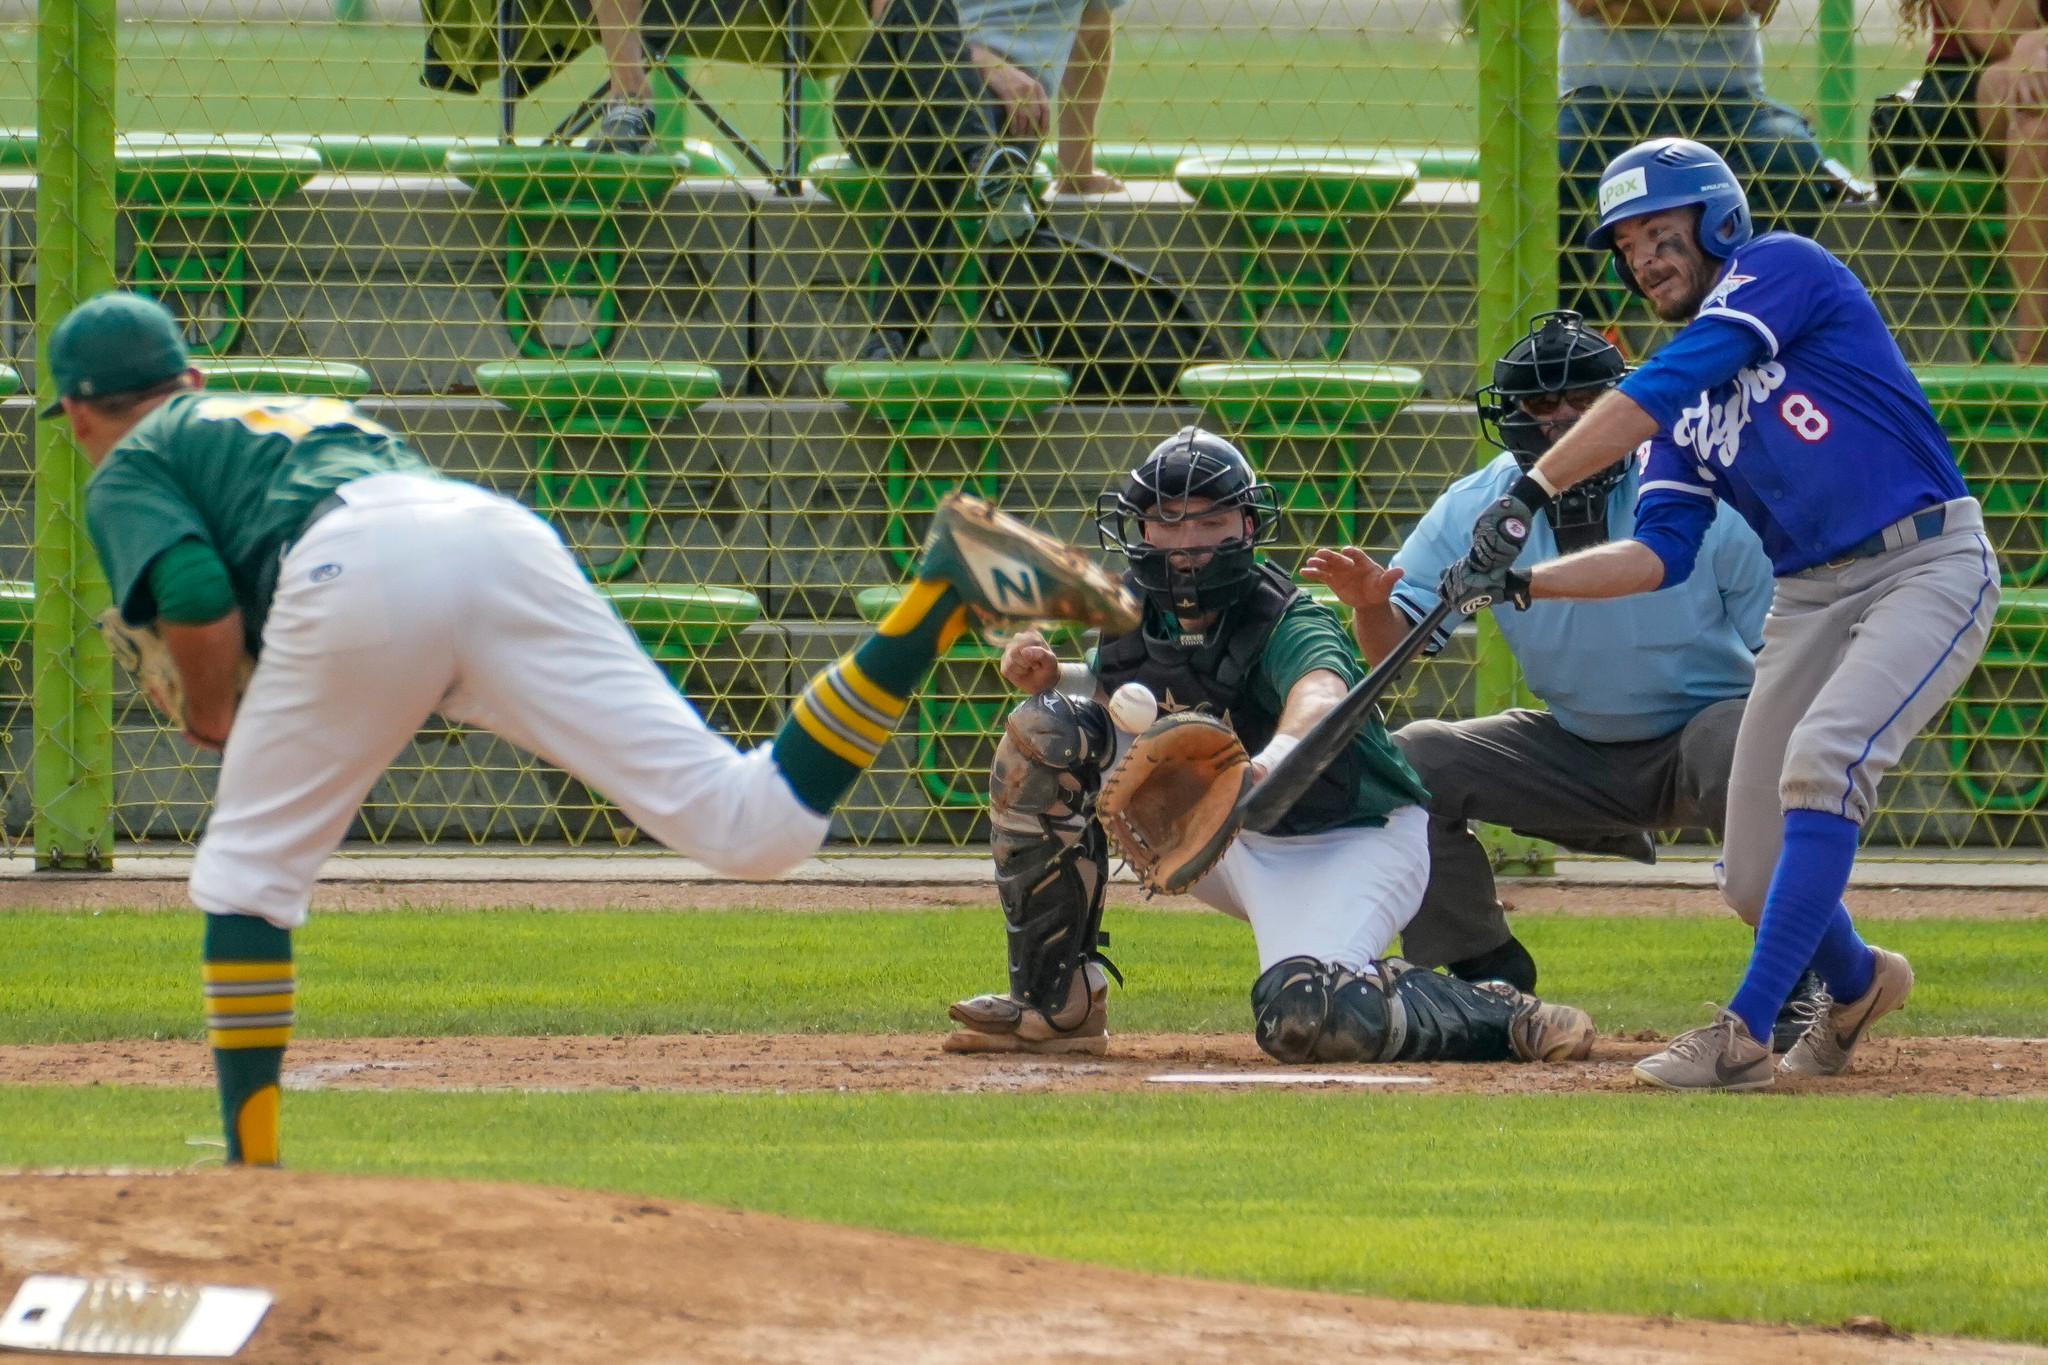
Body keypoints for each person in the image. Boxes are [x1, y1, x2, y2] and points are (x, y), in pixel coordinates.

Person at [50, 290, 1142, 1165]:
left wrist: (213, 708)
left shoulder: (133, 455)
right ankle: (938, 597)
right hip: (487, 531)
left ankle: (248, 1176)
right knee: (750, 826)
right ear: (189, 375)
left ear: (84, 411)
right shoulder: (278, 415)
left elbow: (193, 589)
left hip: (352, 567)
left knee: (246, 874)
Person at [1444, 139, 1998, 1091]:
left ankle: (1741, 1031)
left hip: (1928, 564)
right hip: (1811, 595)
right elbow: (1659, 553)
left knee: (1825, 763)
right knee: (1750, 876)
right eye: (1627, 246)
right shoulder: (1691, 407)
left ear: (1719, 221)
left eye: (1663, 232)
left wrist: (1533, 486)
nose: (1645, 258)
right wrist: (1524, 583)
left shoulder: (1780, 268)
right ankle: (1860, 981)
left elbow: (1655, 387)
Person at [941, 428, 1599, 1067]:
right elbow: (1131, 694)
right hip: (1226, 831)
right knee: (1047, 728)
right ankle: (1058, 1001)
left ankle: (1498, 1011)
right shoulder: (1129, 611)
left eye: (1210, 521)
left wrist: (1265, 765)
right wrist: (1057, 676)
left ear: (1248, 529)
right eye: (1167, 522)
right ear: (1138, 529)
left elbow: (1320, 695)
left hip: (1344, 839)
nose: (1187, 544)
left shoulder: (1288, 616)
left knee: (1306, 1016)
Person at [1301, 310, 1789, 1008]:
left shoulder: (1692, 485)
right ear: (1509, 415)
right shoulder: (1478, 504)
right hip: (1576, 748)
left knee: (1741, 735)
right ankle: (1483, 974)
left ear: (1620, 401)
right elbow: (1393, 654)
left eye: (1582, 400)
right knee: (1415, 758)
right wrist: (1369, 603)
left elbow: (1784, 649)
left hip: (1701, 737)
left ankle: (1802, 967)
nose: (1560, 418)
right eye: (1538, 402)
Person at [832, 0, 1125, 360]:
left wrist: (1077, 168)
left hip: (1009, 106)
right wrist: (979, 61)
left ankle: (891, 337)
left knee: (923, 121)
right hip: (891, 83)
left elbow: (1092, 30)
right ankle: (982, 158)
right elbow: (890, 12)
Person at [1556, 0, 1853, 320]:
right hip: (1600, 99)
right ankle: (1586, 332)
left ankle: (1747, 317)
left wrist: (1636, 11)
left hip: (1729, 99)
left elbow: (1739, 6)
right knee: (1545, 169)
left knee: (1790, 158)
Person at [1887, 0, 2048, 362]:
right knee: (2035, 114)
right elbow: (1995, 38)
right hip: (1960, 86)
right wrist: (2027, 50)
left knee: (2037, 127)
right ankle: (2034, 349)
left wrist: (2036, 45)